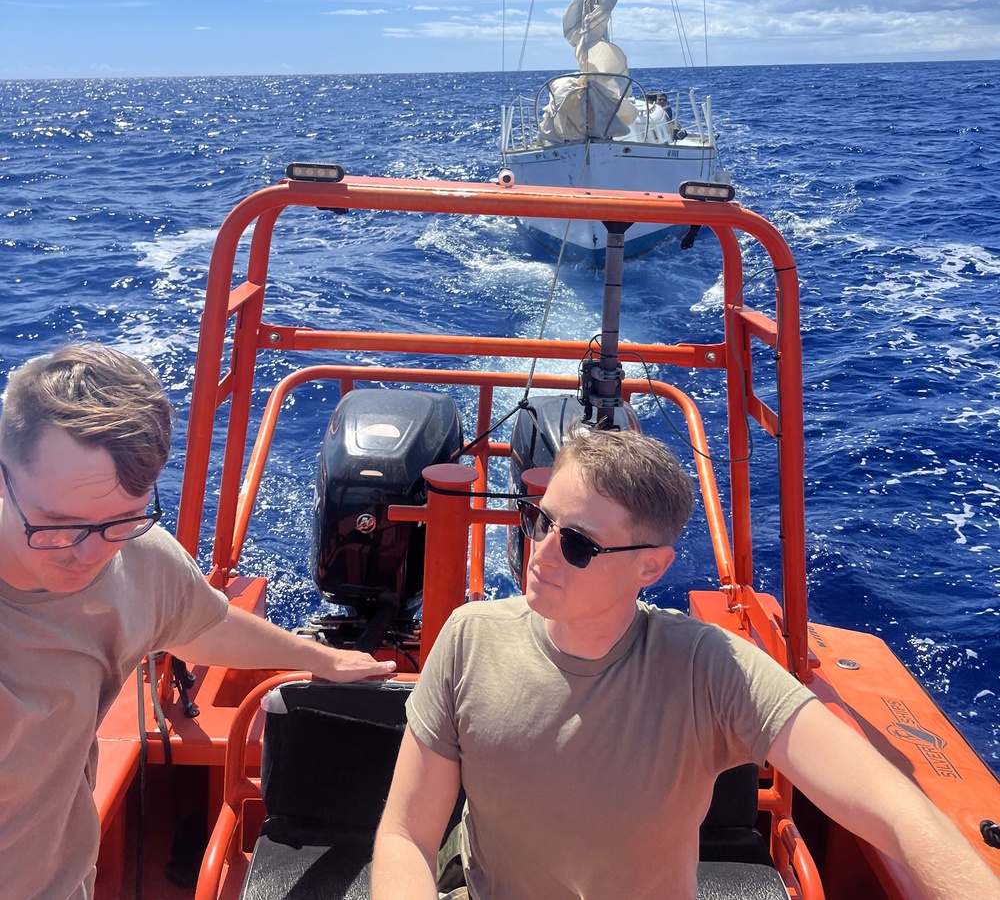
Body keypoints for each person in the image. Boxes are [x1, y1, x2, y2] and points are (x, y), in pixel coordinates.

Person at [372, 429, 999, 900]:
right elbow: (406, 834)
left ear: (652, 567)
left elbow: (890, 807)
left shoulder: (707, 668)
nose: (542, 552)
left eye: (579, 543)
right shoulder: (470, 638)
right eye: (540, 520)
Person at [0, 343, 396, 900]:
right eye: (57, 524)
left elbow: (200, 624)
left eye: (120, 521)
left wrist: (324, 659)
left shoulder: (138, 556)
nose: (87, 554)